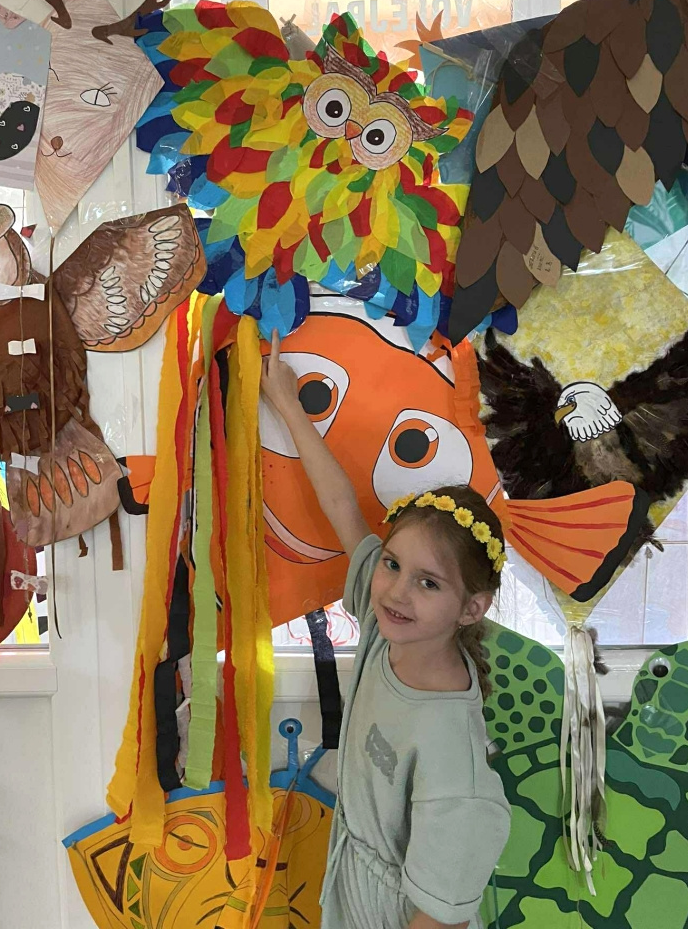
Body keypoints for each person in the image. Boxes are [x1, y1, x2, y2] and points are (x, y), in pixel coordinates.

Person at [261, 331, 511, 929]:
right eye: (393, 565)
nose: (397, 590)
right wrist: (290, 405)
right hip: (351, 890)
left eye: (429, 583)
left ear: (471, 609)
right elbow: (342, 507)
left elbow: (439, 920)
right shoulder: (387, 627)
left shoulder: (454, 763)